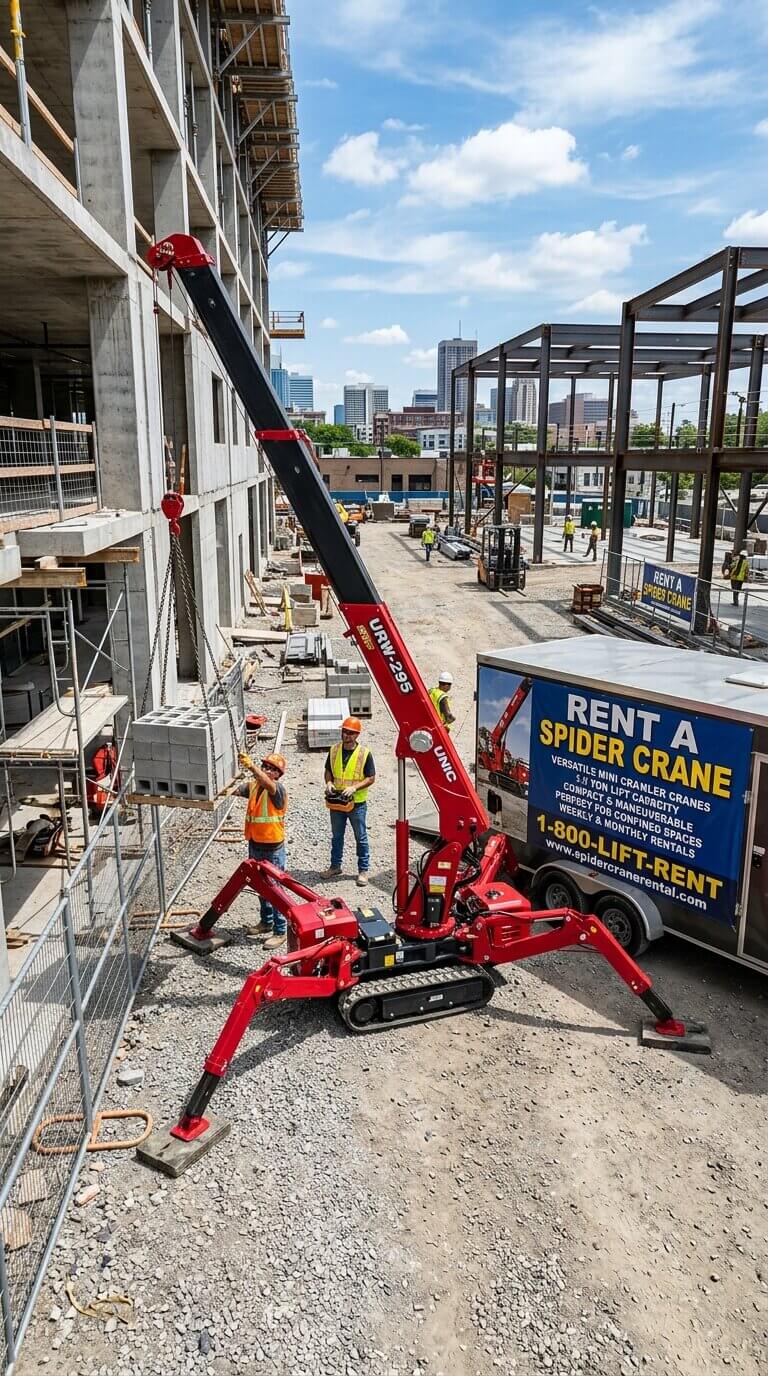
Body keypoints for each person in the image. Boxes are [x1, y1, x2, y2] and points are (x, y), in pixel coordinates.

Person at [239, 753, 288, 949]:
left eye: (272, 769)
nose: (267, 770)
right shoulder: (254, 786)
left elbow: (267, 783)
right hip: (255, 843)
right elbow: (235, 789)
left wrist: (251, 767)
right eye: (265, 766)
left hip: (272, 848)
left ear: (278, 774)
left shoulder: (277, 789)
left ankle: (280, 930)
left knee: (275, 890)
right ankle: (266, 922)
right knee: (260, 887)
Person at [322, 717, 375, 886]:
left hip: (357, 803)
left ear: (357, 735)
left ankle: (363, 870)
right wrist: (328, 782)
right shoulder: (334, 750)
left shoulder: (364, 753)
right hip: (337, 801)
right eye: (344, 731)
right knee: (337, 836)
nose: (346, 735)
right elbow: (328, 771)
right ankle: (335, 866)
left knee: (361, 837)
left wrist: (354, 788)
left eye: (351, 733)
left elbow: (371, 778)